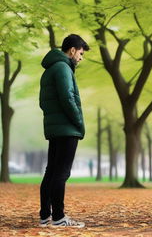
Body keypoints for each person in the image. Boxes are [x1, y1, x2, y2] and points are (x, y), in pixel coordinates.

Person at [39, 34, 89, 228]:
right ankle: (59, 217)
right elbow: (68, 98)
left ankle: (45, 216)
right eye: (81, 53)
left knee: (51, 172)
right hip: (67, 128)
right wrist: (78, 123)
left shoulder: (52, 68)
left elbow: (45, 102)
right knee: (61, 173)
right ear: (73, 50)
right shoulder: (63, 68)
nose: (81, 58)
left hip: (55, 128)